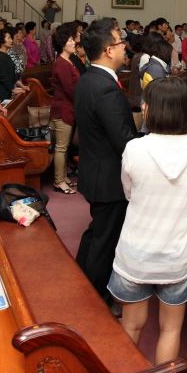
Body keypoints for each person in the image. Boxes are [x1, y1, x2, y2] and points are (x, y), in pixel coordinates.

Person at [110, 77, 187, 364]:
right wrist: (180, 220)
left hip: (136, 253)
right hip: (176, 255)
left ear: (150, 109)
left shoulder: (135, 148)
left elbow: (129, 194)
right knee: (171, 329)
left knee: (131, 325)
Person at [74, 19, 137, 303]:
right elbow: (123, 140)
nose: (125, 47)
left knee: (97, 232)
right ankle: (95, 300)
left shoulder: (89, 79)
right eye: (120, 42)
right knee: (106, 241)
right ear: (109, 50)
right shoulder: (105, 88)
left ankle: (81, 278)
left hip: (95, 170)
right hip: (109, 178)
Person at [50, 23, 81, 195]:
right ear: (63, 43)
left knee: (65, 146)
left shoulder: (68, 60)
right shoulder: (62, 63)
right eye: (70, 40)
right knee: (61, 147)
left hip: (69, 108)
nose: (73, 42)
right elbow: (70, 89)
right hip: (63, 110)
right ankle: (59, 181)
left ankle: (63, 177)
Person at [0, 27, 24, 102]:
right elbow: (3, 77)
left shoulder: (5, 55)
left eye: (11, 38)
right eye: (9, 38)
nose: (11, 40)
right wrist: (13, 89)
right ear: (1, 40)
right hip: (1, 94)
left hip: (7, 91)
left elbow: (11, 74)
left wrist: (22, 85)